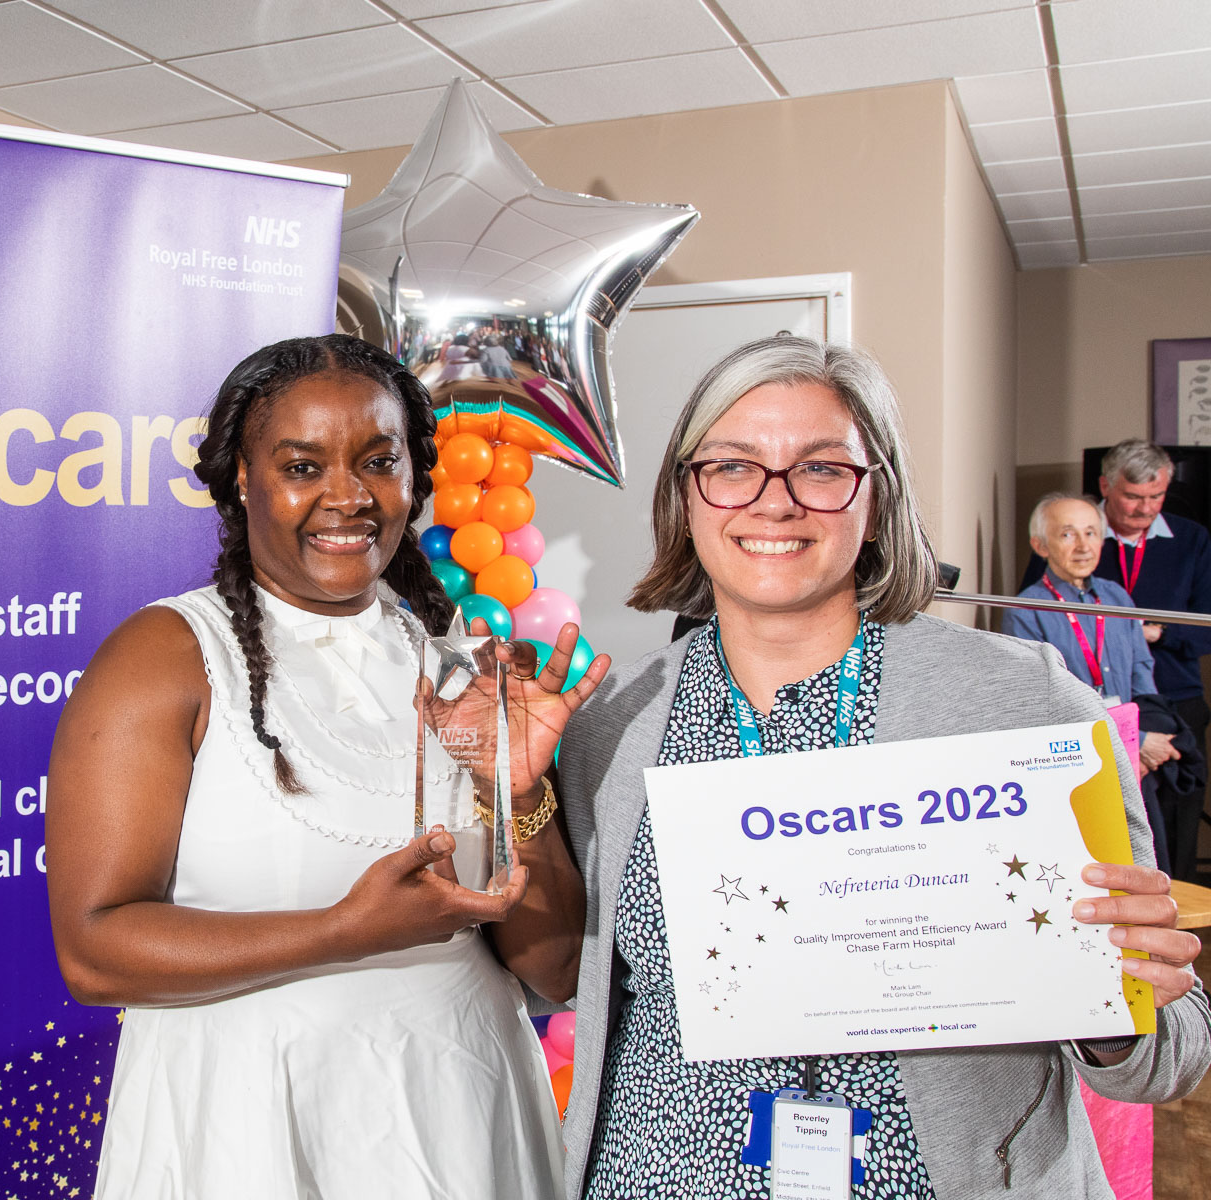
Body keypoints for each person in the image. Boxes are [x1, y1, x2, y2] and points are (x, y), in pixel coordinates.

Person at [505, 336, 1210, 1199]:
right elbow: (558, 977)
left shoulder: (1024, 706)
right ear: (685, 495)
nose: (774, 502)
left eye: (822, 469)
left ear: (877, 496)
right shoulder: (611, 723)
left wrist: (1116, 1006)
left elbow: (1167, 1055)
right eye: (732, 465)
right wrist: (521, 795)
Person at [45, 333, 600, 1199]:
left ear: (415, 476)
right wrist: (346, 928)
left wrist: (516, 791)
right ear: (242, 477)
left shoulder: (461, 666)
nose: (347, 496)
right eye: (302, 467)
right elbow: (95, 952)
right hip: (246, 1127)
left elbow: (556, 968)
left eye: (378, 461)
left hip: (462, 1112)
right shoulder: (164, 657)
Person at [1019, 439, 1211, 880]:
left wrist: (1149, 736)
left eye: (1155, 497)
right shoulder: (1033, 602)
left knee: (1157, 848)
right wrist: (1134, 740)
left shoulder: (1120, 595)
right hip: (1086, 740)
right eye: (1069, 534)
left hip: (1152, 722)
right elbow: (1045, 688)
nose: (1084, 545)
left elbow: (1147, 671)